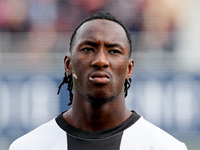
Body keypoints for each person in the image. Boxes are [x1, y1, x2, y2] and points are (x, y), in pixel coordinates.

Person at [9, 11, 187, 150]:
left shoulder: (165, 147)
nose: (101, 60)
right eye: (88, 49)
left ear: (129, 68)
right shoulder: (29, 146)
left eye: (114, 51)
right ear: (68, 64)